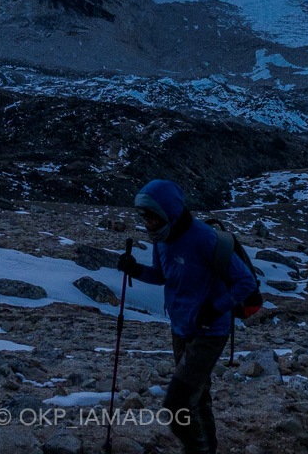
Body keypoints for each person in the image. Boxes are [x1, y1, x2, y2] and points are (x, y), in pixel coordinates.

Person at [118, 179, 256, 454]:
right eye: (144, 217)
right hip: (181, 327)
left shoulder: (204, 238)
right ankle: (207, 448)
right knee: (197, 396)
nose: (147, 223)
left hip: (210, 331)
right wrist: (135, 270)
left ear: (168, 211)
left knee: (177, 402)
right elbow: (162, 276)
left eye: (152, 216)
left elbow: (246, 282)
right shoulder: (162, 238)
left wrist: (214, 309)